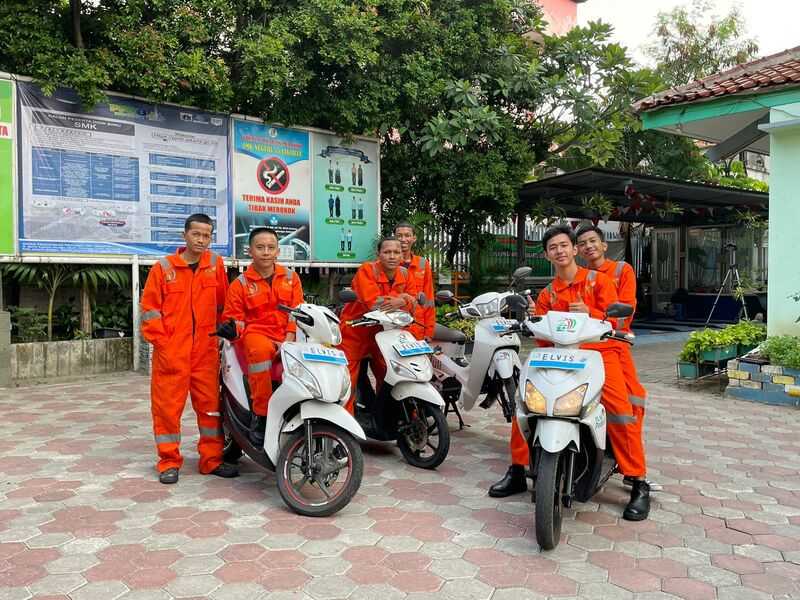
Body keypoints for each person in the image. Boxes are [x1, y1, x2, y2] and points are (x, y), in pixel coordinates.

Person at [488, 224, 650, 521]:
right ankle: (516, 470)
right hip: (560, 356)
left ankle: (638, 481)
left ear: (574, 250)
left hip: (602, 354)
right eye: (553, 248)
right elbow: (542, 338)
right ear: (548, 255)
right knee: (524, 405)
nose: (560, 251)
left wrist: (592, 315)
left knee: (620, 411)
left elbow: (619, 324)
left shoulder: (600, 282)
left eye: (564, 245)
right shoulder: (549, 293)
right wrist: (532, 322)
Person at [140, 213, 239, 484]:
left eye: (207, 235)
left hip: (206, 352)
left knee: (210, 409)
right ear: (185, 235)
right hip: (171, 352)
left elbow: (224, 305)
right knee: (167, 409)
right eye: (196, 234)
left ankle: (212, 460)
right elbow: (150, 310)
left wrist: (224, 333)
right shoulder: (163, 268)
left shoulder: (216, 265)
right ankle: (168, 462)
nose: (201, 240)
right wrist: (164, 345)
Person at [221, 227, 304, 446]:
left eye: (270, 248)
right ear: (250, 251)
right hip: (256, 335)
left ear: (278, 251)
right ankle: (262, 415)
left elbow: (297, 311)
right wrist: (231, 329)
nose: (265, 252)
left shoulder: (291, 277)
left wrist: (289, 337)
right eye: (260, 247)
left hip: (286, 335)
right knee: (260, 354)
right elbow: (235, 319)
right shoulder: (240, 284)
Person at [576, 224, 648, 471]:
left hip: (615, 345)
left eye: (592, 241)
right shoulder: (578, 277)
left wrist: (591, 313)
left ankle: (633, 468)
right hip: (585, 349)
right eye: (583, 243)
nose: (588, 246)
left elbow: (623, 317)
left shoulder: (621, 270)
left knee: (632, 401)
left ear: (604, 245)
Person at [339, 237, 419, 414]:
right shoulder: (367, 270)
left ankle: (391, 418)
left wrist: (403, 300)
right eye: (387, 252)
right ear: (379, 254)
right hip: (356, 331)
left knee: (392, 374)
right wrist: (402, 299)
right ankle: (345, 423)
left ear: (402, 255)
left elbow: (414, 305)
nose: (392, 256)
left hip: (385, 334)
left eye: (396, 252)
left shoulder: (405, 274)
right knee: (347, 379)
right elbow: (373, 303)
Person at [395, 221, 435, 340]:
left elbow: (429, 300)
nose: (403, 239)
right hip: (393, 325)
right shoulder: (388, 263)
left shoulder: (423, 264)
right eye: (399, 236)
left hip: (417, 327)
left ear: (414, 238)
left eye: (407, 235)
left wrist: (429, 330)